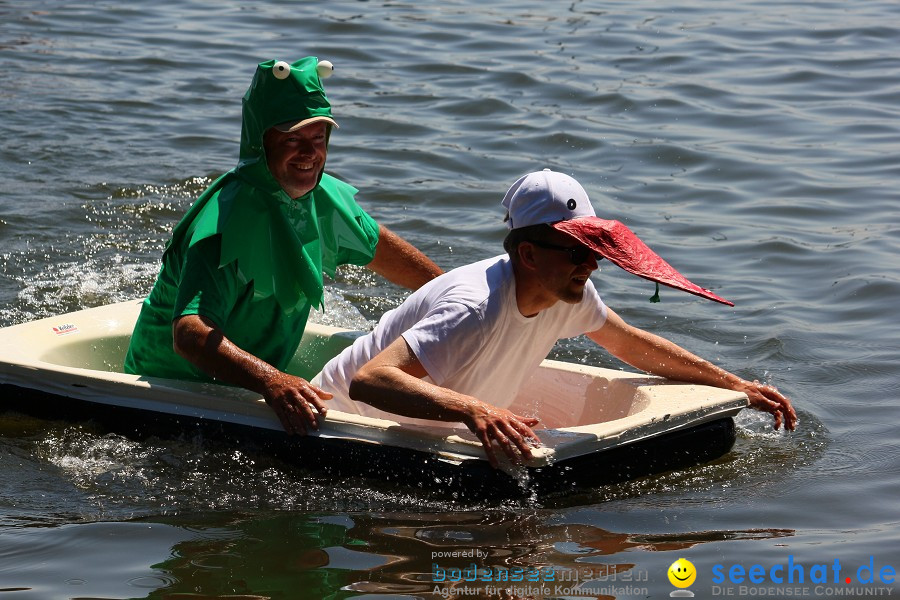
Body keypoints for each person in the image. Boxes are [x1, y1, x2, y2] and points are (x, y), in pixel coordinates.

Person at [315, 169, 797, 468]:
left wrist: (733, 385)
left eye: (593, 249)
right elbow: (370, 379)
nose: (589, 263)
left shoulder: (571, 292)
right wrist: (477, 410)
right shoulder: (474, 308)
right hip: (336, 427)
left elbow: (628, 344)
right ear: (527, 253)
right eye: (574, 251)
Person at [124, 57, 442, 435]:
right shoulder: (224, 224)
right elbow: (190, 335)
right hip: (167, 389)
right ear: (262, 142)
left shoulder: (326, 200)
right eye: (292, 139)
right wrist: (273, 381)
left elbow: (398, 263)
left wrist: (467, 301)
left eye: (318, 138)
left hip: (249, 386)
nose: (309, 153)